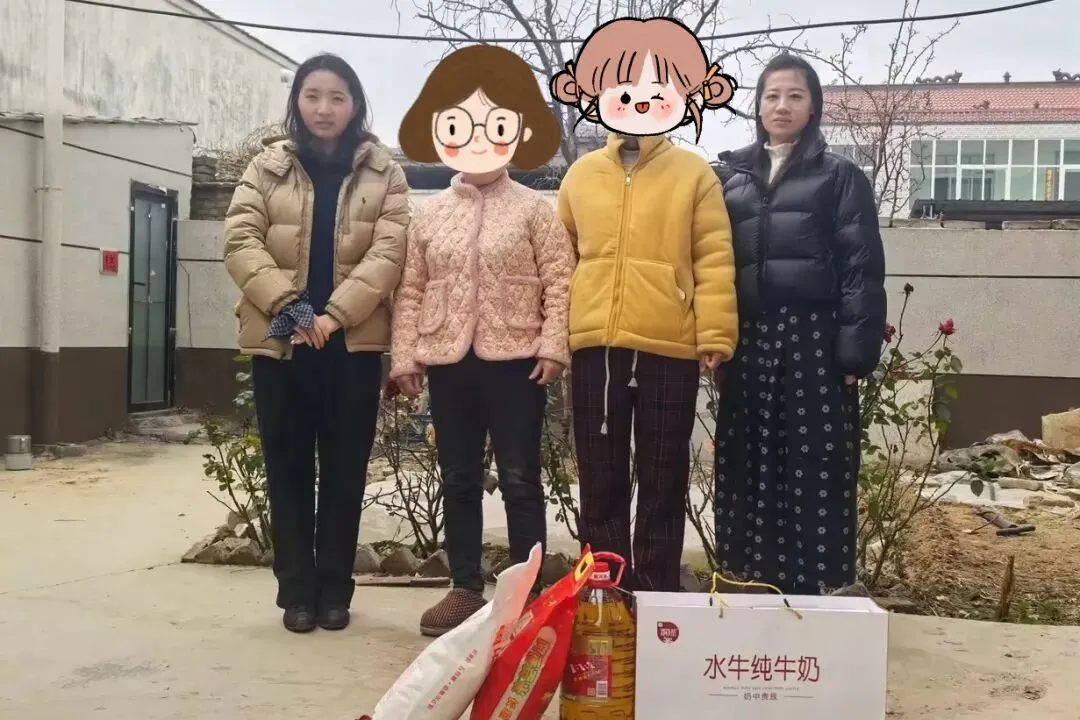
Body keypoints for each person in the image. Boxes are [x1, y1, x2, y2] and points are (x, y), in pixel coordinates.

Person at [549, 17, 740, 593]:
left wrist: (715, 334)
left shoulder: (694, 174)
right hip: (595, 347)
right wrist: (555, 337)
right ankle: (604, 593)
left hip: (669, 346)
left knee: (663, 476)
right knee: (599, 475)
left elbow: (713, 256)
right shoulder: (581, 175)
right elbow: (560, 261)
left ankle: (657, 593)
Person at [223, 54, 410, 633]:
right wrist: (290, 305)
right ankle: (296, 594)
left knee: (346, 469)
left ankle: (335, 591)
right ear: (297, 101)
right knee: (287, 467)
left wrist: (332, 316)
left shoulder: (385, 172)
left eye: (337, 97)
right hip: (282, 344)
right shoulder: (266, 168)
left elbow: (389, 253)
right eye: (312, 95)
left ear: (355, 104)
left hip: (351, 346)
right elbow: (240, 241)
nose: (324, 108)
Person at [391, 44, 573, 636]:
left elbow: (560, 280)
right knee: (459, 478)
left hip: (517, 363)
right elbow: (410, 289)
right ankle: (465, 589)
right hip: (450, 363)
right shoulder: (430, 213)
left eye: (492, 124)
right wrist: (405, 357)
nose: (476, 139)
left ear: (515, 131)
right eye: (459, 125)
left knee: (520, 478)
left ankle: (527, 592)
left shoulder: (534, 210)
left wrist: (554, 345)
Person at [712, 52, 886, 595]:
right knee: (745, 464)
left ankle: (818, 594)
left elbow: (861, 268)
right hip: (751, 341)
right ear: (758, 106)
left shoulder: (839, 176)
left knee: (816, 466)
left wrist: (855, 352)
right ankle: (746, 587)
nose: (781, 106)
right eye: (771, 95)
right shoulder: (733, 182)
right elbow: (715, 267)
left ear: (813, 106)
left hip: (815, 339)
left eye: (795, 95)